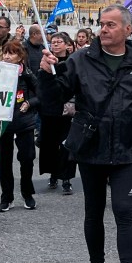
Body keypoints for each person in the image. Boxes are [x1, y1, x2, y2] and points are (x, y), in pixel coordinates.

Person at [38, 5, 132, 263]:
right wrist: (45, 75)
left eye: (109, 25)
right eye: (101, 24)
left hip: (127, 150)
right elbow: (54, 100)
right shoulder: (81, 59)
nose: (102, 30)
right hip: (91, 149)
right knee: (93, 212)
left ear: (127, 30)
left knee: (124, 211)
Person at [0, 40, 39, 212]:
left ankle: (27, 193)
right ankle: (7, 197)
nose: (7, 57)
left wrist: (29, 102)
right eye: (5, 53)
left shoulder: (27, 73)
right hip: (3, 123)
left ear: (20, 56)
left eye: (12, 53)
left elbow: (40, 93)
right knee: (5, 162)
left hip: (24, 123)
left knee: (27, 159)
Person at [39, 31, 76, 194]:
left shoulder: (72, 63)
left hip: (68, 111)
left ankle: (66, 178)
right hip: (50, 111)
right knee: (50, 145)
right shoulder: (45, 63)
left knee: (67, 145)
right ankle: (53, 174)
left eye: (59, 41)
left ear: (68, 45)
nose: (55, 44)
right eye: (53, 41)